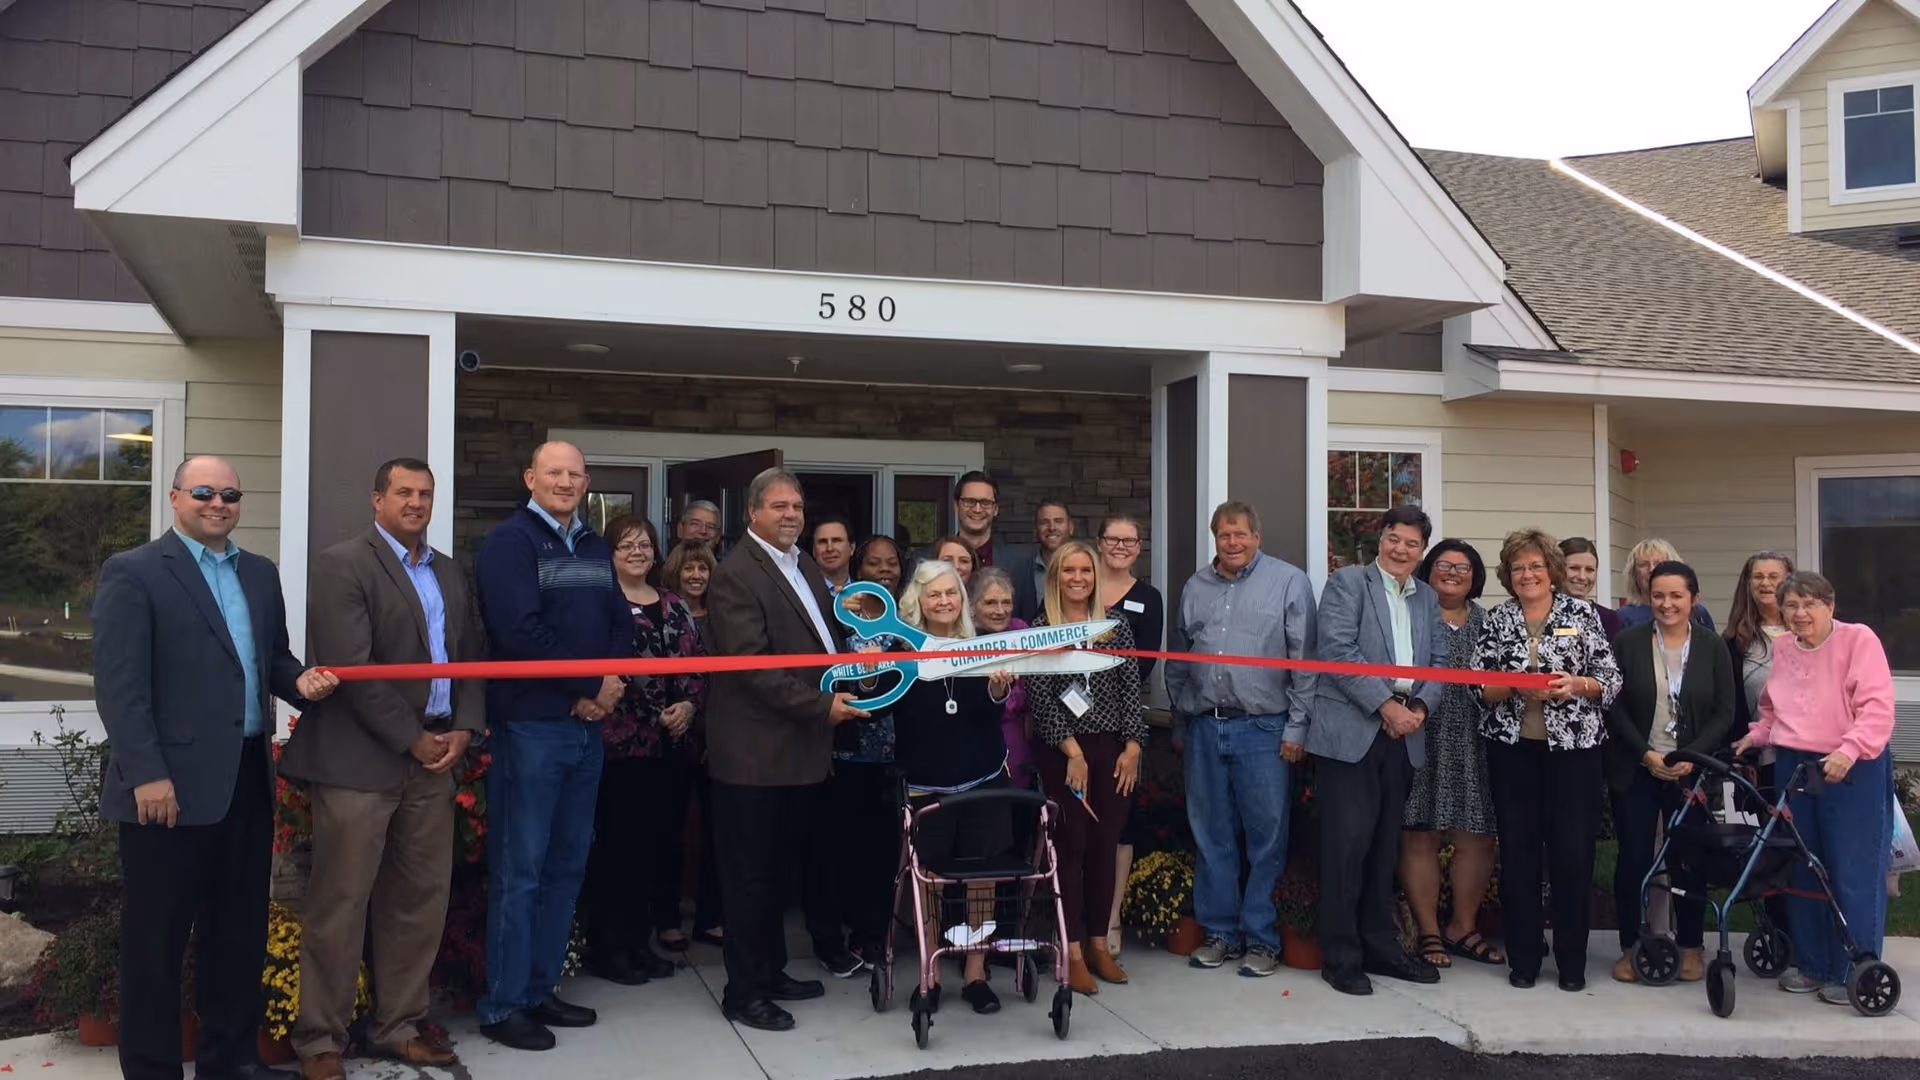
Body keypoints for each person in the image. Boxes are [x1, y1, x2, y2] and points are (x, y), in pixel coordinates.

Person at [93, 456, 338, 1080]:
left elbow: (271, 658)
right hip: (165, 792)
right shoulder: (135, 573)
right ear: (175, 497)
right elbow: (120, 686)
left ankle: (230, 1063)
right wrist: (146, 772)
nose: (217, 502)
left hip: (245, 785)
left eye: (229, 493)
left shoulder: (258, 573)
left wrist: (300, 681)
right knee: (156, 944)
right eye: (203, 491)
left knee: (237, 938)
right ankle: (151, 1069)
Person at [283, 458, 483, 1079]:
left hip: (436, 757)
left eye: (425, 493)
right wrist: (410, 739)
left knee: (419, 899)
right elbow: (351, 666)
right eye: (404, 492)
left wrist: (463, 729)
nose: (416, 503)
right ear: (377, 499)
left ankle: (396, 1026)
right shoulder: (344, 563)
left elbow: (470, 655)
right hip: (360, 761)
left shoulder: (448, 571)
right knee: (342, 902)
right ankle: (320, 1039)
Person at [473, 441, 633, 1051]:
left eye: (575, 474)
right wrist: (589, 684)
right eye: (554, 473)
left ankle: (540, 989)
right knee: (522, 869)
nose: (565, 482)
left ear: (586, 481)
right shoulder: (509, 543)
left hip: (587, 728)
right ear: (530, 478)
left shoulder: (593, 546)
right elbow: (519, 631)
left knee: (567, 865)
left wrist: (606, 687)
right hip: (532, 727)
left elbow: (620, 621)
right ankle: (503, 1004)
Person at [705, 469, 869, 1033]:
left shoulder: (800, 566)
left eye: (797, 506)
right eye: (779, 507)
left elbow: (818, 644)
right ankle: (743, 992)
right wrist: (822, 708)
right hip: (754, 757)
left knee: (775, 876)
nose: (791, 516)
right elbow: (753, 668)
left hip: (797, 754)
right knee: (749, 879)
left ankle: (770, 972)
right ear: (751, 512)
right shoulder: (735, 574)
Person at [1165, 501, 1314, 979]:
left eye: (1240, 534)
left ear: (1257, 537)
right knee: (1212, 836)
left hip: (1265, 729)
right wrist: (1182, 720)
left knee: (1266, 839)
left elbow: (1304, 661)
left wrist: (1297, 727)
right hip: (1206, 726)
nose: (1232, 542)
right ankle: (1219, 935)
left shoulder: (1289, 582)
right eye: (1223, 535)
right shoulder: (1195, 586)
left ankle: (1262, 940)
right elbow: (1180, 658)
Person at [1734, 571, 1896, 1006]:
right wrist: (1758, 734)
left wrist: (1852, 749)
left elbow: (1877, 708)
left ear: (1830, 604)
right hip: (1794, 762)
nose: (1799, 613)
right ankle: (1812, 964)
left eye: (1809, 604)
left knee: (1851, 866)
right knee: (1804, 865)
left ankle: (1855, 967)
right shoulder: (1784, 646)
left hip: (1848, 765)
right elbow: (1775, 705)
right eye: (1791, 606)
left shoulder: (1858, 640)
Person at [1304, 506, 1445, 996]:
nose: (1400, 549)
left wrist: (1420, 710)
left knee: (1385, 848)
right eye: (1393, 539)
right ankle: (1340, 956)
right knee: (1346, 848)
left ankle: (1379, 946)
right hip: (1353, 733)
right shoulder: (1347, 583)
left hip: (1406, 733)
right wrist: (1386, 706)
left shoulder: (1427, 596)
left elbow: (1440, 662)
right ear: (1379, 539)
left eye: (1411, 543)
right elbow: (1338, 651)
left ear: (1421, 550)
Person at [1474, 528, 1621, 993]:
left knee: (1572, 855)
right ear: (1508, 575)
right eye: (1518, 568)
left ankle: (1572, 961)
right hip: (1513, 751)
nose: (1527, 574)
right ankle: (1524, 959)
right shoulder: (1497, 619)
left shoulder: (1580, 615)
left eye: (1536, 566)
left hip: (1575, 753)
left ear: (1552, 572)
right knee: (1518, 855)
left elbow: (1610, 680)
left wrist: (1575, 685)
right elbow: (1478, 687)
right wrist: (1511, 685)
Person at [876, 559, 1016, 1016]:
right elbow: (887, 709)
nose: (943, 601)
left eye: (951, 593)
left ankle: (975, 972)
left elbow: (985, 714)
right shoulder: (903, 650)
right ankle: (930, 972)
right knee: (930, 880)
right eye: (933, 594)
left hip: (982, 778)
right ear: (918, 601)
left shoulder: (980, 648)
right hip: (925, 784)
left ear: (962, 600)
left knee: (983, 877)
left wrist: (996, 692)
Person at [580, 516, 706, 985]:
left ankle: (639, 943)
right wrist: (655, 711)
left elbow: (698, 665)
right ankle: (610, 949)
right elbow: (605, 672)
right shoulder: (602, 604)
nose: (637, 551)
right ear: (610, 553)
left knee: (656, 848)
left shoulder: (673, 605)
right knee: (620, 851)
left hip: (671, 749)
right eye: (626, 545)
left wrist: (689, 706)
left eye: (645, 544)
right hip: (622, 748)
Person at [1606, 560, 1734, 985]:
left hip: (1690, 771)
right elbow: (1615, 706)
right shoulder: (1628, 641)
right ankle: (1632, 946)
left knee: (1688, 858)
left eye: (1677, 595)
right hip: (1638, 766)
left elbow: (1724, 712)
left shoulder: (1713, 646)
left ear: (1693, 599)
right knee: (1634, 858)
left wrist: (1690, 757)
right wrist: (1646, 755)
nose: (1667, 603)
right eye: (1659, 595)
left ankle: (1691, 946)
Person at [1024, 540, 1144, 995]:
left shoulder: (1118, 627)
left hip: (1113, 752)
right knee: (1071, 849)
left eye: (1086, 571)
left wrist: (1133, 747)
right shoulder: (1041, 628)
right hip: (1065, 756)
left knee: (1105, 846)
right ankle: (1071, 949)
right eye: (1068, 571)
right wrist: (1072, 753)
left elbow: (1132, 689)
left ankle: (1098, 943)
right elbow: (1042, 697)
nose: (1078, 578)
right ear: (1055, 577)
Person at [1399, 540, 1501, 971]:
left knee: (1476, 836)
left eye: (1463, 567)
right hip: (1421, 735)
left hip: (1477, 740)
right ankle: (1428, 931)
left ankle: (1463, 925)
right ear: (1428, 570)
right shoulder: (1411, 615)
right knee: (1420, 834)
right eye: (1444, 564)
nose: (1453, 573)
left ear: (1476, 576)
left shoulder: (1490, 622)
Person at [806, 534, 904, 979]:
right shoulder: (836, 620)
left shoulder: (907, 620)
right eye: (874, 563)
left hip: (895, 757)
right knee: (838, 852)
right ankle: (836, 940)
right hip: (846, 753)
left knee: (883, 855)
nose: (884, 570)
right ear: (858, 568)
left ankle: (873, 935)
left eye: (892, 563)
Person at [1094, 513, 1163, 960]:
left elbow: (1145, 663)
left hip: (1123, 724)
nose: (1121, 546)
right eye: (1113, 538)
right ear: (1099, 543)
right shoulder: (1079, 586)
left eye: (1130, 540)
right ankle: (1079, 921)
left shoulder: (1148, 598)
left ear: (1139, 547)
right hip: (1071, 727)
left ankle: (1111, 917)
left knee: (1120, 824)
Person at [1724, 549, 1795, 944]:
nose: (1766, 584)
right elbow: (1734, 704)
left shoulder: (1809, 631)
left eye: (1774, 576)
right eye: (1758, 577)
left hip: (1810, 759)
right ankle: (1779, 934)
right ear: (1747, 585)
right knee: (1772, 851)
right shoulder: (1736, 642)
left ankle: (1816, 933)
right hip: (1763, 762)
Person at [660, 539, 725, 950]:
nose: (697, 576)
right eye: (689, 568)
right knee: (670, 830)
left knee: (718, 832)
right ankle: (667, 918)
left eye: (703, 568)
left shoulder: (722, 617)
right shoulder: (664, 612)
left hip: (719, 735)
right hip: (674, 734)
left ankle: (711, 916)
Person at [949, 472, 1037, 616]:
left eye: (986, 503)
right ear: (956, 506)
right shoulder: (927, 558)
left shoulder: (1020, 563)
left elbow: (1027, 623)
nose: (977, 509)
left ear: (995, 509)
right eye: (969, 501)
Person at [1617, 538, 1714, 632]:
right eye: (1643, 564)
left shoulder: (1696, 611)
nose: (1651, 569)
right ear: (1633, 573)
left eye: (1658, 563)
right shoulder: (1623, 617)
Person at [1558, 537, 1621, 639]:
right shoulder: (1541, 613)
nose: (1582, 577)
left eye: (1589, 570)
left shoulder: (1607, 618)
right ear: (1556, 568)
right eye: (1574, 568)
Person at [1022, 501, 1075, 620]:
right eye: (1044, 522)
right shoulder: (1022, 570)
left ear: (1070, 527)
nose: (1052, 527)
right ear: (1036, 531)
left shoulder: (1086, 570)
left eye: (1058, 521)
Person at [811, 514, 855, 595]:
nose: (829, 548)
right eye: (822, 542)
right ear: (814, 550)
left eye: (836, 540)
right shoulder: (804, 593)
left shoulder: (863, 593)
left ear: (851, 548)